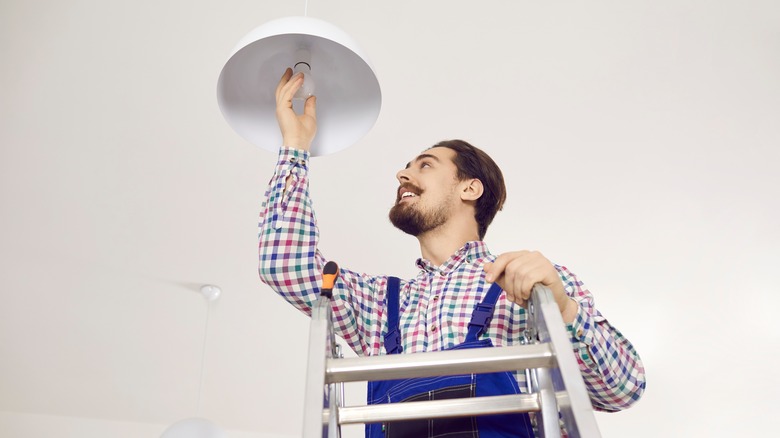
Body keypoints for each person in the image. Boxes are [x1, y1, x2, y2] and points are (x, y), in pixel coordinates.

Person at [258, 69, 646, 436]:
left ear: (470, 189)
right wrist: (295, 147)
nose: (403, 175)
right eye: (407, 167)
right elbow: (283, 265)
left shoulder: (530, 282)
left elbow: (622, 388)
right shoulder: (381, 305)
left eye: (425, 165)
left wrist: (561, 307)